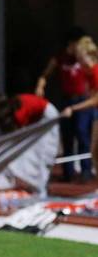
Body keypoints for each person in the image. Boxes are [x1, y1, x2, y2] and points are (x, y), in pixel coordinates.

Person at [35, 26, 93, 181]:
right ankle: (68, 172)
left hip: (84, 100)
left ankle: (86, 170)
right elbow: (45, 74)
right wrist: (40, 85)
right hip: (67, 99)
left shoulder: (87, 60)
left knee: (82, 134)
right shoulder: (60, 58)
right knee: (67, 136)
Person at [0, 93, 60, 196]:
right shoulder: (15, 106)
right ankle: (34, 183)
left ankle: (40, 189)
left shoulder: (19, 113)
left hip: (48, 117)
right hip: (38, 119)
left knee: (43, 154)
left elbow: (19, 136)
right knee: (32, 154)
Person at [61, 36, 98, 179]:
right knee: (94, 151)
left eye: (81, 58)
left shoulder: (95, 71)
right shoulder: (87, 73)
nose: (79, 62)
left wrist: (73, 108)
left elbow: (95, 100)